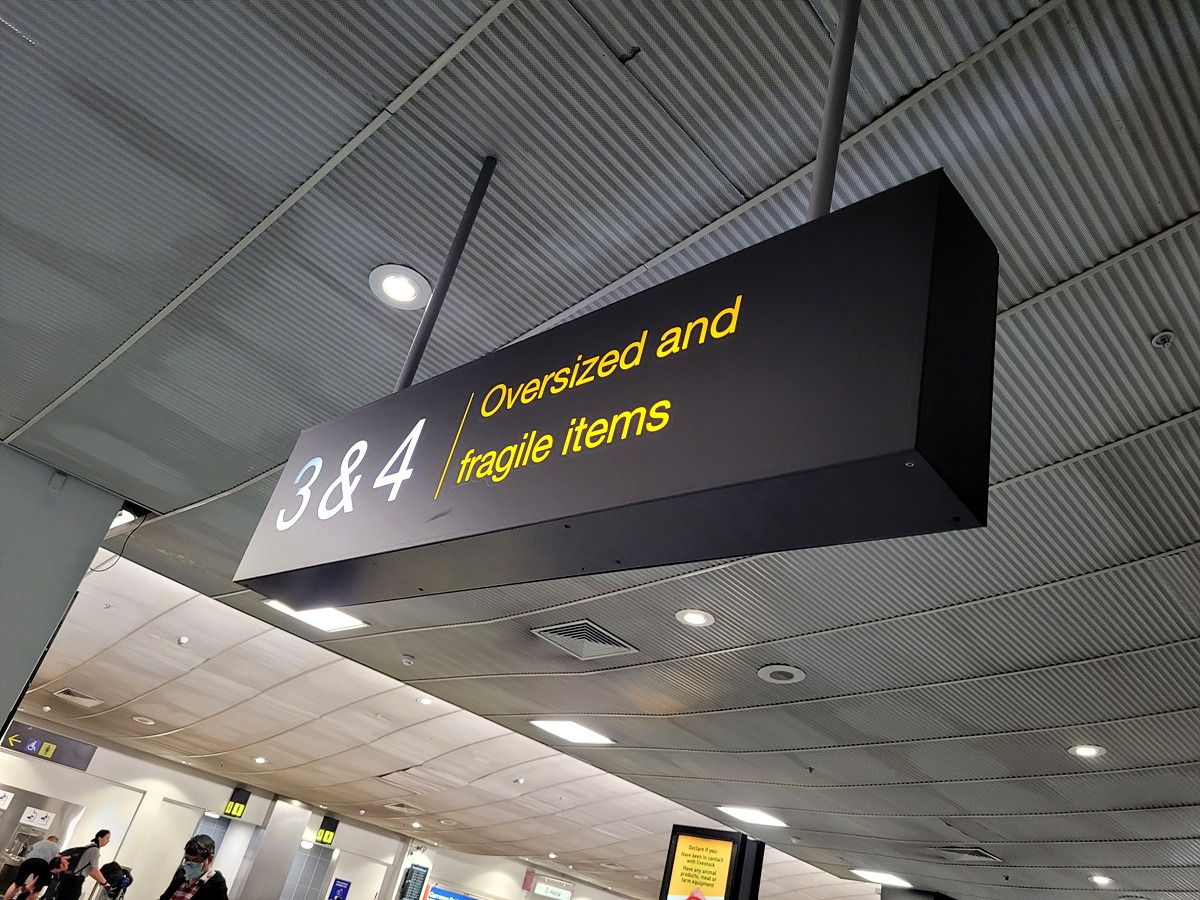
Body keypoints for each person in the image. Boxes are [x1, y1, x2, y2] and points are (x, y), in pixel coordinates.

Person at [158, 835, 226, 900]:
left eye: (195, 861)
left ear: (210, 859)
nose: (189, 864)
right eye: (187, 859)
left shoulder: (216, 887)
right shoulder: (181, 875)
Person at [54, 831, 111, 900]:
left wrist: (101, 881)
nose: (108, 841)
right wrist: (106, 884)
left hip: (69, 878)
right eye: (107, 838)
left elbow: (89, 871)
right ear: (100, 838)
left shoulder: (89, 847)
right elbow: (95, 870)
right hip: (74, 881)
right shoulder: (94, 850)